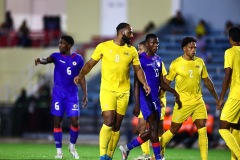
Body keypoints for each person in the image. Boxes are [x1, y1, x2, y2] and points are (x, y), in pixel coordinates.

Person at [74, 22, 151, 160]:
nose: (132, 35)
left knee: (116, 126)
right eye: (130, 32)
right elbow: (90, 63)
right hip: (107, 90)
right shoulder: (104, 46)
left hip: (124, 92)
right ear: (122, 32)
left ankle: (109, 155)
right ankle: (102, 155)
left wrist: (144, 83)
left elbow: (138, 70)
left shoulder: (132, 50)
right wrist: (80, 75)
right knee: (108, 120)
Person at [119, 33, 180, 160]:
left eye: (157, 43)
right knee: (152, 127)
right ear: (147, 44)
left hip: (155, 98)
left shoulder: (158, 60)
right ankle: (158, 157)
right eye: (152, 43)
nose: (155, 45)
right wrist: (137, 104)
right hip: (144, 98)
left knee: (155, 129)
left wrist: (172, 91)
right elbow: (136, 83)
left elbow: (161, 82)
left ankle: (127, 148)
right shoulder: (140, 60)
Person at [160, 36, 219, 160]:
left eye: (195, 48)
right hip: (183, 102)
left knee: (202, 130)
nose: (194, 50)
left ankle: (204, 159)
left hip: (198, 101)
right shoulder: (176, 64)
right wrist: (159, 97)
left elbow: (207, 81)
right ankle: (157, 152)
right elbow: (167, 82)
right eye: (191, 47)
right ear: (184, 48)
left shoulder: (200, 62)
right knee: (173, 130)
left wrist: (217, 98)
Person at [35, 35, 88, 159]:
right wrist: (39, 60)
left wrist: (85, 94)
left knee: (75, 121)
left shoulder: (78, 59)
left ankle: (72, 147)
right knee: (57, 122)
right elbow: (46, 60)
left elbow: (82, 77)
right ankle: (59, 152)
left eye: (62, 43)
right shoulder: (56, 56)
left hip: (72, 95)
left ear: (69, 45)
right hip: (58, 95)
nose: (60, 45)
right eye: (59, 43)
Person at [217, 26, 240, 160]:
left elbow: (227, 75)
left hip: (236, 94)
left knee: (223, 127)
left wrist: (221, 98)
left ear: (230, 39)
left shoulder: (230, 52)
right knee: (236, 127)